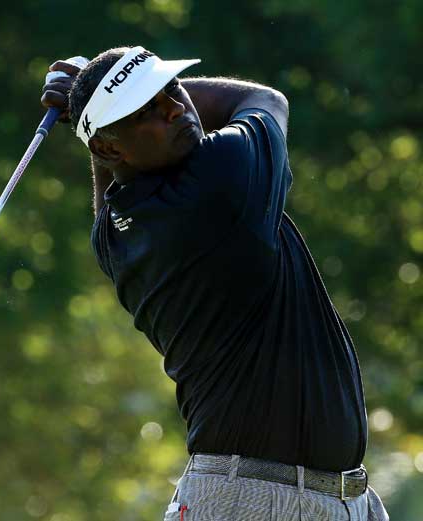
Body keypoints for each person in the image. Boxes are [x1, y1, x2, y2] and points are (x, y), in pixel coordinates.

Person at [41, 46, 389, 521]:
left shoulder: (114, 238)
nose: (175, 108)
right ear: (109, 146)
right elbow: (265, 100)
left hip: (321, 498)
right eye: (147, 110)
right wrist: (93, 99)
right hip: (255, 501)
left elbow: (108, 192)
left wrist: (95, 104)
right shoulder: (223, 177)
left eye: (172, 89)